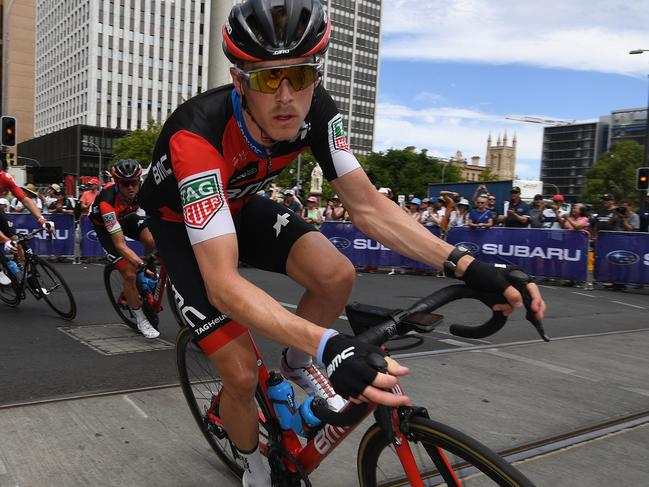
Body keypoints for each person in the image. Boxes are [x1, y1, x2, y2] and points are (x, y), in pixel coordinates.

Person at [138, 2, 546, 485]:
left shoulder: (318, 111)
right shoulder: (198, 133)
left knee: (337, 274)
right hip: (180, 226)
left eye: (301, 75)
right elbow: (223, 284)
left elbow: (369, 206)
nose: (287, 96)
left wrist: (467, 266)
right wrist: (331, 342)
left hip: (241, 206)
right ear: (240, 80)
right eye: (269, 79)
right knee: (242, 374)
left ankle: (296, 365)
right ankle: (251, 462)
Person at [89, 159, 159, 339]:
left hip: (126, 217)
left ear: (139, 181)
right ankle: (140, 319)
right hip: (105, 226)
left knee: (152, 240)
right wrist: (138, 264)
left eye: (133, 183)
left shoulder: (143, 191)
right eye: (124, 184)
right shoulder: (107, 201)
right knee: (129, 272)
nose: (130, 188)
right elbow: (120, 244)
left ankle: (145, 268)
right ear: (117, 183)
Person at [0, 168, 54, 284]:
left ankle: (28, 275)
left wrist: (43, 220)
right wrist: (5, 240)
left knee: (16, 241)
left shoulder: (6, 177)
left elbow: (26, 200)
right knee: (6, 241)